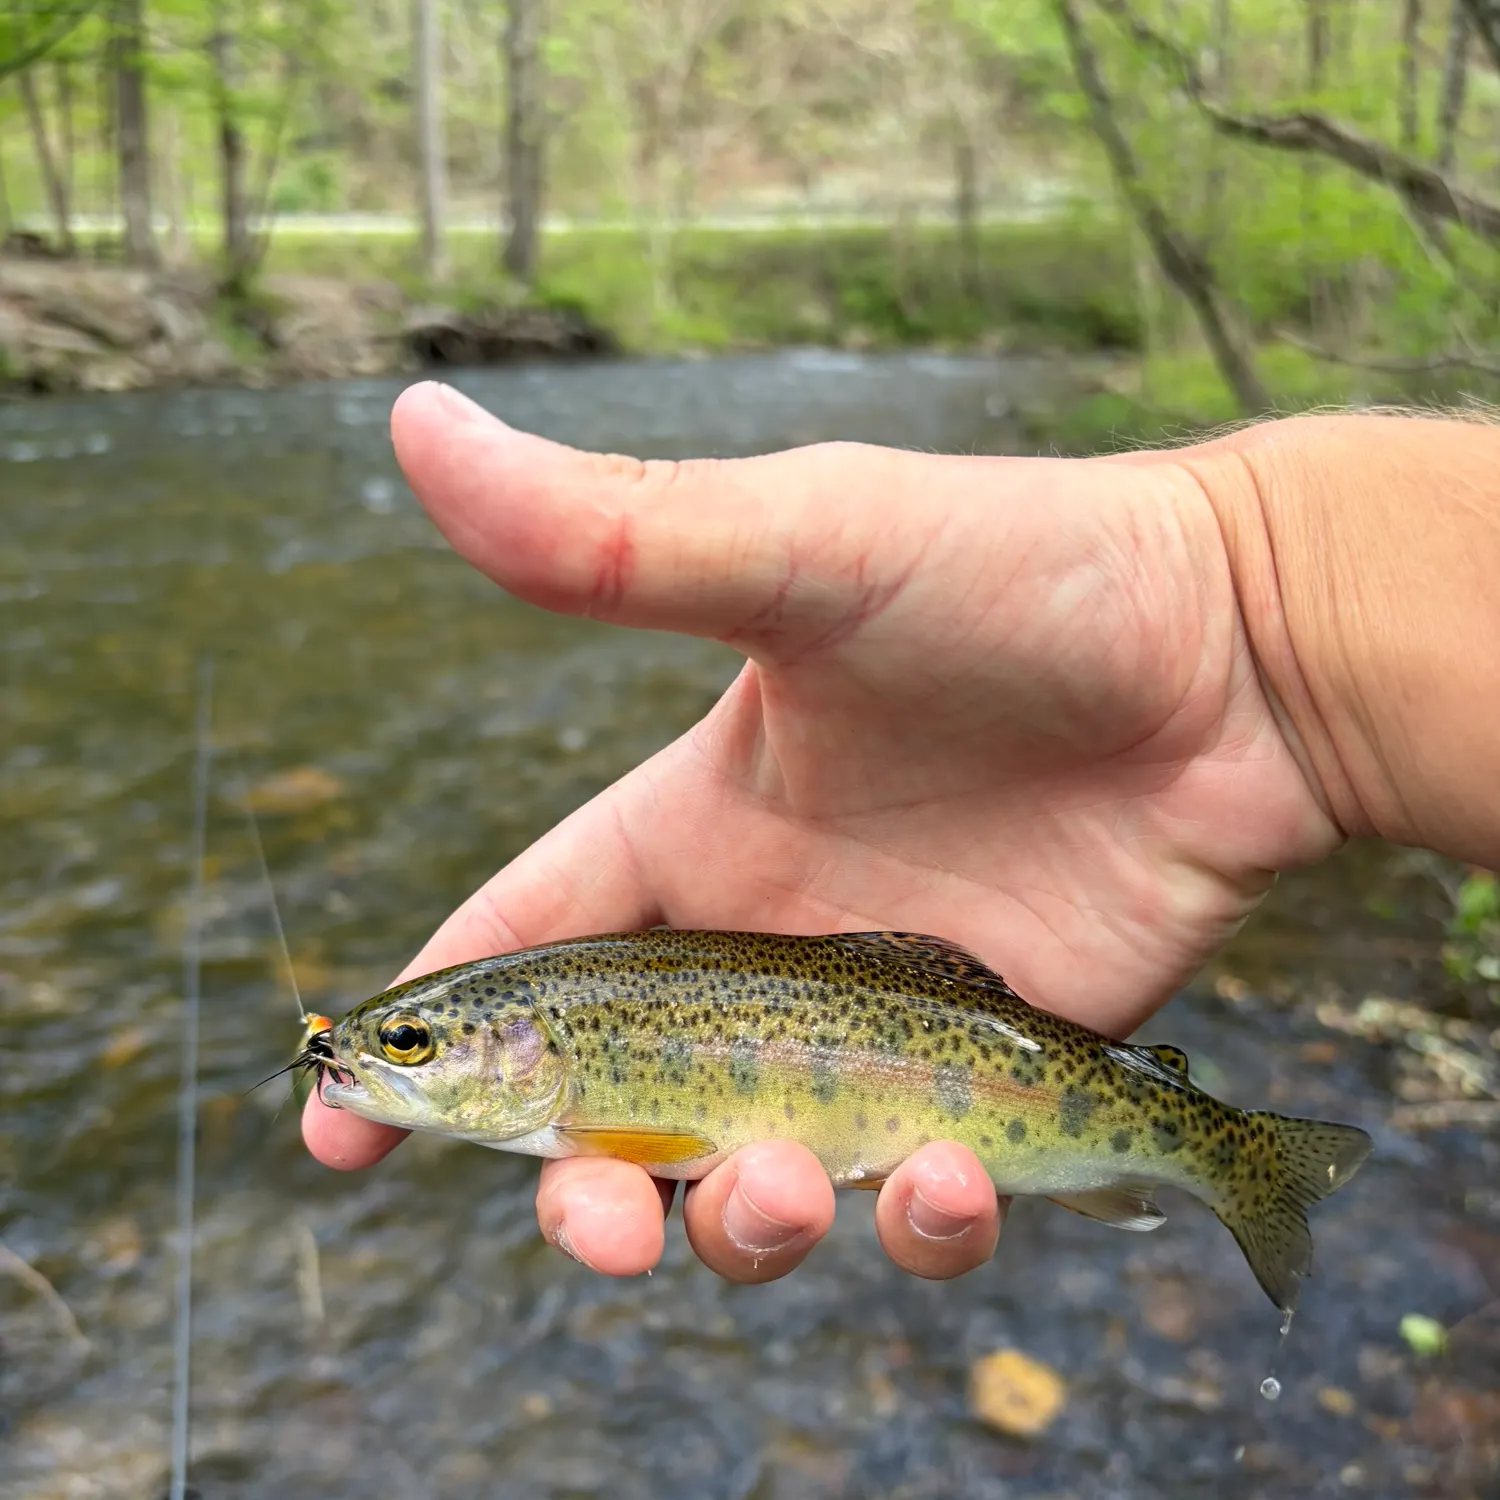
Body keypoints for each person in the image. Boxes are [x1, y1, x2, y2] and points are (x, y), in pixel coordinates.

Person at [303, 381, 1500, 1285]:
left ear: (518, 1045)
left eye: (409, 1042)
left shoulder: (590, 1096)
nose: (372, 1060)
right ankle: (1211, 1154)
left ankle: (1230, 1157)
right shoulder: (574, 1070)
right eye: (406, 1044)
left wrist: (1246, 617)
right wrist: (1254, 626)